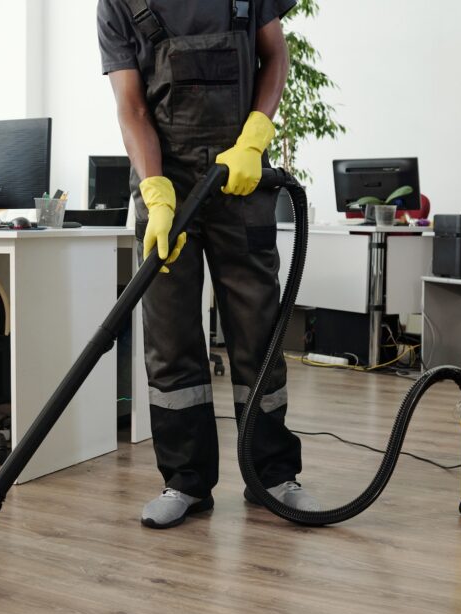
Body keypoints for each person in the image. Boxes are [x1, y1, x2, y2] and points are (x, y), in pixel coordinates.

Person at [98, 0, 318, 529]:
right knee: (170, 337)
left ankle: (272, 475)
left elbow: (276, 56)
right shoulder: (118, 4)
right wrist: (154, 192)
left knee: (258, 329)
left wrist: (255, 138)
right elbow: (131, 107)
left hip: (239, 178)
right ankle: (186, 482)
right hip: (165, 184)